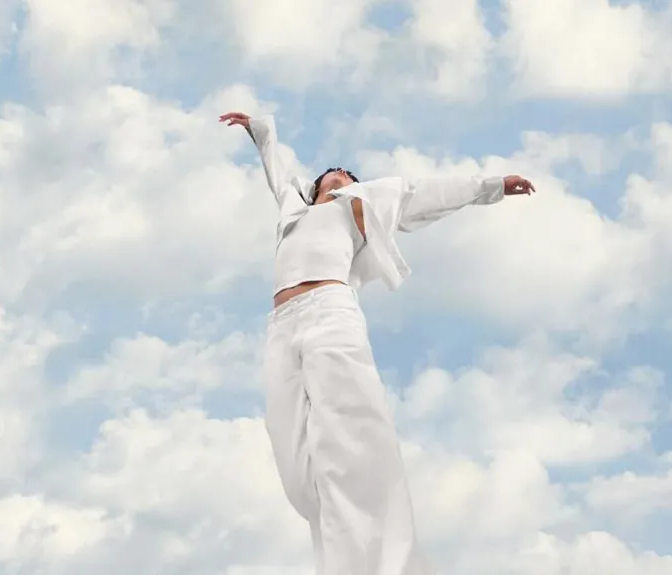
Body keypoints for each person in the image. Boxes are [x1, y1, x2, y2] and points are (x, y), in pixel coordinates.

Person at [219, 111, 535, 575]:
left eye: (349, 173)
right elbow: (276, 166)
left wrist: (492, 186)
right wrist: (258, 129)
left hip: (330, 315)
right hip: (282, 326)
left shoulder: (360, 204)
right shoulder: (294, 208)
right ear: (315, 184)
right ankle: (344, 553)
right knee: (295, 462)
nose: (340, 172)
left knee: (353, 439)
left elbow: (425, 193)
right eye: (333, 171)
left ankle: (390, 564)